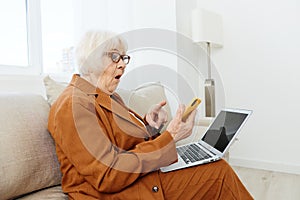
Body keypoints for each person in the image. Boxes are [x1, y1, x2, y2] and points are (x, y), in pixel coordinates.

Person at [48, 30, 253, 200]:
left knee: (213, 166)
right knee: (217, 174)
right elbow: (107, 174)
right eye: (114, 57)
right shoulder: (73, 106)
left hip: (135, 178)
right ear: (91, 59)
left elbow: (126, 145)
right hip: (111, 193)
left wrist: (151, 128)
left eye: (124, 57)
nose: (122, 64)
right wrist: (170, 137)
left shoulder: (108, 97)